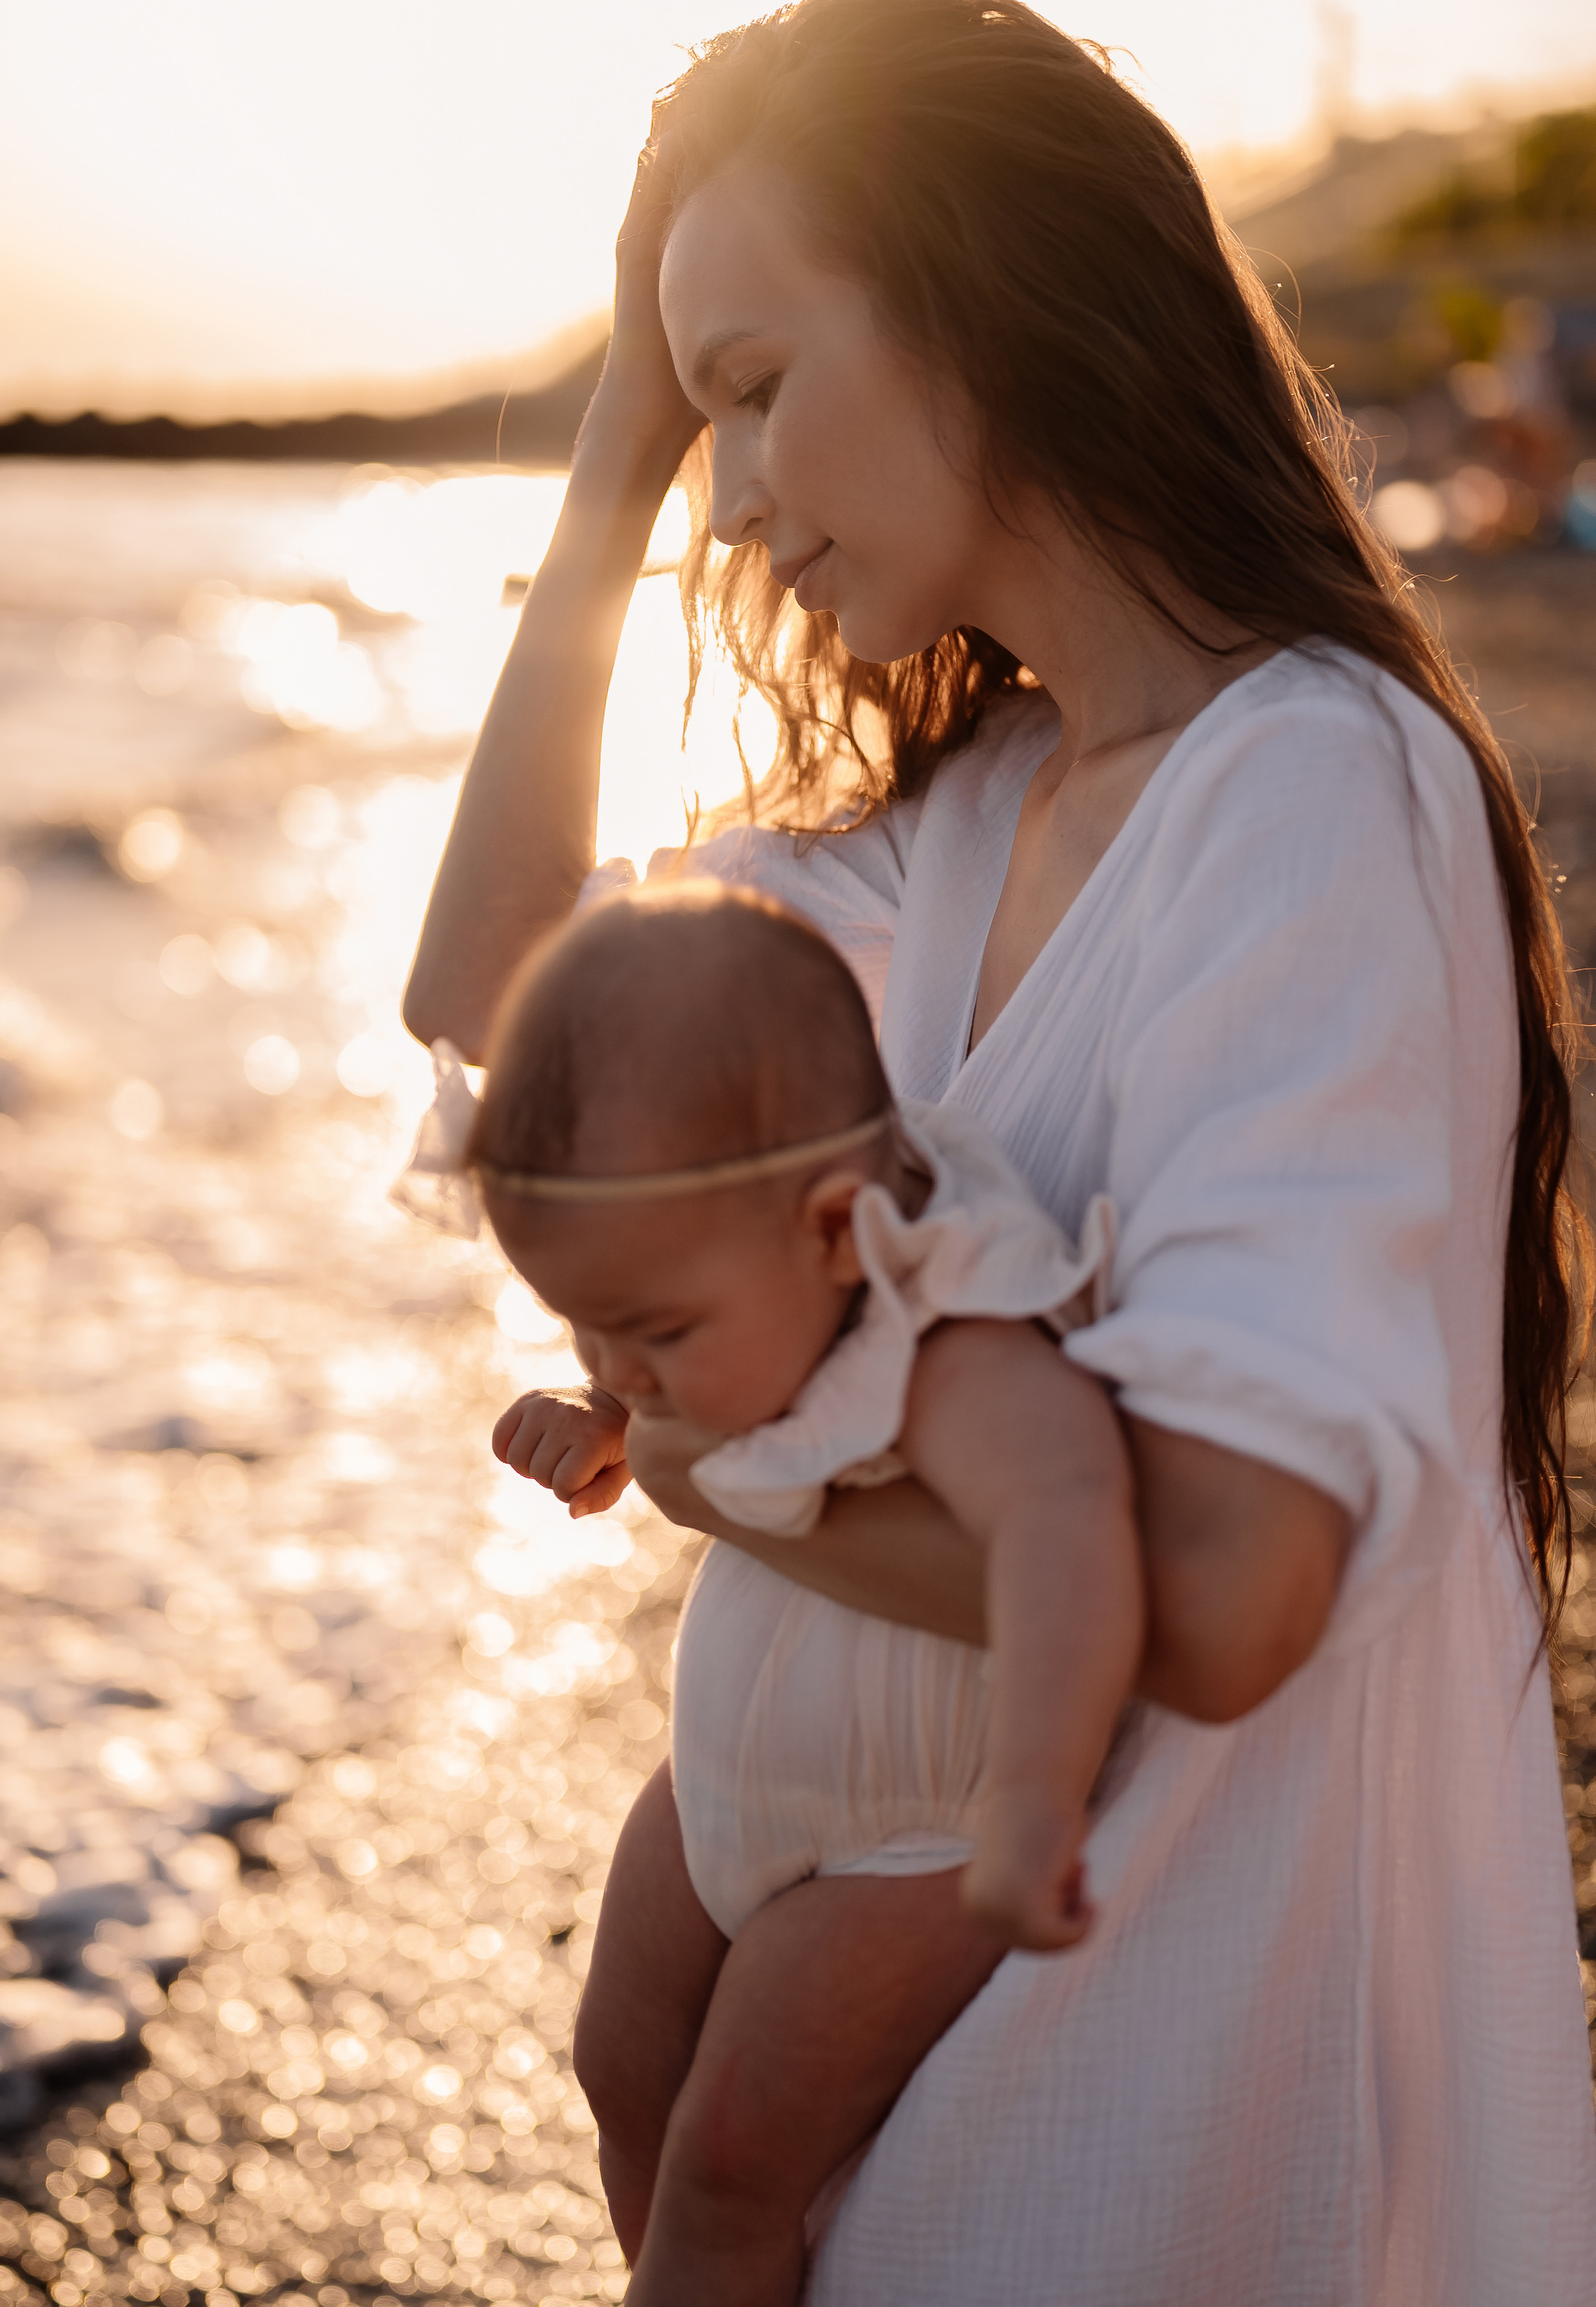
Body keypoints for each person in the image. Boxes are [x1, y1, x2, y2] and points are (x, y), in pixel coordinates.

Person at [405, 0, 1596, 2304]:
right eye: (708, 419)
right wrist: (621, 439)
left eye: (762, 387)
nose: (738, 494)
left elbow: (1236, 1586)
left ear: (985, 300)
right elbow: (505, 1008)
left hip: (1135, 2110)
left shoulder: (1310, 789)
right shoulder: (974, 814)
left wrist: (727, 1471)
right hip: (964, 2103)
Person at [420, 878, 1135, 2304]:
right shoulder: (753, 1274)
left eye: (655, 1330)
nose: (623, 1362)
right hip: (719, 1782)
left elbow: (1070, 1530)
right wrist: (611, 1411)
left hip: (912, 1835)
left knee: (737, 2155)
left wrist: (1035, 1804)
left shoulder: (958, 1327)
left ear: (831, 1230)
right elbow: (706, 1384)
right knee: (619, 2070)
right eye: (587, 1327)